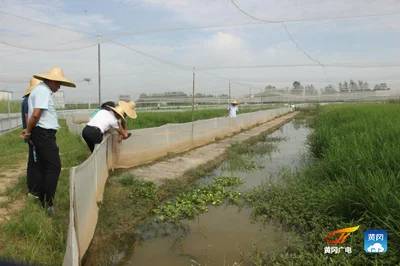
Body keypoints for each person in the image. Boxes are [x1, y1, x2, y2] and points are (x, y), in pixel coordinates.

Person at [22, 66, 76, 215]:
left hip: (41, 133)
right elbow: (35, 115)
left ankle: (41, 198)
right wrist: (28, 131)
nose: (59, 87)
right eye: (58, 83)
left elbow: (34, 115)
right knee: (54, 167)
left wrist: (29, 130)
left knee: (42, 166)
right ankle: (48, 202)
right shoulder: (43, 91)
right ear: (51, 80)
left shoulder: (40, 91)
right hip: (43, 134)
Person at [20, 77, 41, 198]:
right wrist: (29, 133)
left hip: (29, 133)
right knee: (35, 162)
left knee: (33, 161)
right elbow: (29, 118)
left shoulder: (25, 100)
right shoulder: (29, 100)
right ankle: (34, 190)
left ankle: (33, 188)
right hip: (32, 133)